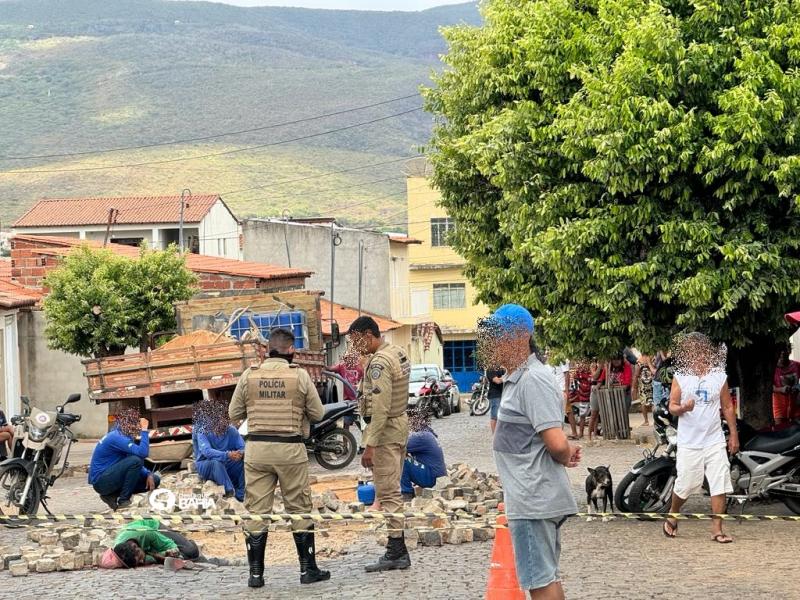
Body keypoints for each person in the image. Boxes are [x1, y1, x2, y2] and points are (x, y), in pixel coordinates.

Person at [489, 304, 580, 600]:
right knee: (545, 577)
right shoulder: (518, 379)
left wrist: (565, 452)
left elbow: (554, 442)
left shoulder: (532, 379)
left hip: (533, 499)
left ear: (521, 337)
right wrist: (565, 450)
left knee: (541, 582)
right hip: (530, 497)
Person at [228, 327, 329, 588]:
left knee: (256, 512)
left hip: (257, 451)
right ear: (292, 350)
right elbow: (317, 414)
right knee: (299, 509)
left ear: (266, 350)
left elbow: (233, 412)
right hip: (290, 450)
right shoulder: (300, 376)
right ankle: (308, 570)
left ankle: (256, 575)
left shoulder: (250, 375)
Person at [348, 315, 412, 573]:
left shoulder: (380, 363)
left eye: (356, 342)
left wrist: (369, 445)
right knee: (391, 489)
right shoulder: (396, 352)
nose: (355, 348)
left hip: (385, 433)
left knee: (388, 493)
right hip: (399, 427)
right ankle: (398, 549)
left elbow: (381, 407)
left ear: (367, 335)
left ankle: (396, 551)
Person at [663, 332, 739, 544]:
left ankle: (717, 529)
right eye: (694, 352)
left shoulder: (719, 376)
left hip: (714, 440)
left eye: (703, 351)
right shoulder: (681, 376)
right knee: (687, 483)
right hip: (690, 442)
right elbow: (672, 406)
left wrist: (733, 434)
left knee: (719, 482)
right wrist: (683, 408)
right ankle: (673, 513)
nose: (699, 355)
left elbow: (727, 406)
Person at [89, 410, 160, 510]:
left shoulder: (126, 435)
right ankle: (123, 500)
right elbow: (142, 453)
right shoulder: (116, 437)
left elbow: (132, 458)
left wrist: (148, 474)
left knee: (155, 480)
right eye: (134, 424)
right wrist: (144, 430)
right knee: (135, 461)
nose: (136, 427)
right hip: (101, 482)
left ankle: (111, 496)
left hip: (112, 476)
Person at [192, 400, 246, 502]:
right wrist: (227, 455)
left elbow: (243, 448)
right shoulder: (202, 430)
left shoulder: (231, 430)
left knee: (243, 461)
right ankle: (229, 492)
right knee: (216, 463)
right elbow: (206, 452)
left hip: (227, 463)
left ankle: (241, 493)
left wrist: (240, 454)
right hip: (206, 464)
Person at [100, 518, 200, 568]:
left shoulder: (146, 533)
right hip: (147, 546)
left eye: (140, 558)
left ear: (135, 546)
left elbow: (170, 545)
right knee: (184, 557)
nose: (142, 562)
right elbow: (147, 558)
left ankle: (187, 542)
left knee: (191, 551)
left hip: (154, 527)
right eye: (138, 562)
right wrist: (160, 556)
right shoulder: (120, 551)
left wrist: (170, 552)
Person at [400, 408, 447, 501]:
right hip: (437, 476)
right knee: (404, 456)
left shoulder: (420, 436)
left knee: (401, 460)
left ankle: (406, 493)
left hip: (432, 478)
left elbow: (398, 446)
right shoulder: (428, 433)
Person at [772, 346, 800, 425]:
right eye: (780, 350)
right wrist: (780, 389)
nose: (783, 352)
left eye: (785, 349)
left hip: (796, 404)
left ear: (789, 350)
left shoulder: (796, 365)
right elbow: (768, 387)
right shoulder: (772, 368)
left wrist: (798, 388)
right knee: (780, 432)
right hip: (779, 406)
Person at [632, 354, 655, 426]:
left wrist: (634, 387)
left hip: (644, 384)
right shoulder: (652, 359)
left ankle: (646, 421)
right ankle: (654, 420)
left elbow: (636, 375)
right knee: (653, 402)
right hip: (651, 383)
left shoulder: (639, 361)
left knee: (644, 403)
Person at [487, 367, 506, 434]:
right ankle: (494, 435)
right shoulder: (490, 369)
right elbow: (497, 381)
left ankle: (501, 434)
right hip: (495, 395)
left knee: (503, 415)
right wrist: (507, 377)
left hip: (504, 394)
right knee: (495, 416)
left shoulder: (502, 369)